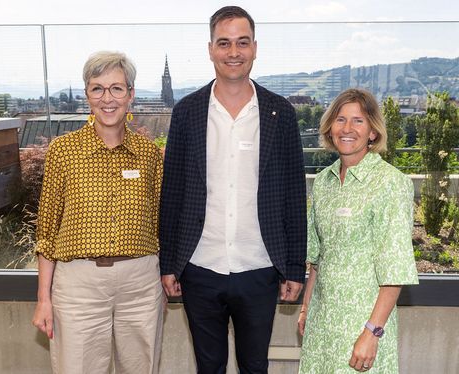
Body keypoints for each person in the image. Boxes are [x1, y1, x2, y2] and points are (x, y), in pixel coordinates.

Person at [159, 6, 307, 374]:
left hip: (259, 266)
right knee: (209, 368)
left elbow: (293, 196)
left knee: (255, 367)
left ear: (255, 47)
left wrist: (294, 268)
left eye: (242, 42)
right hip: (199, 266)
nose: (233, 52)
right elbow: (172, 193)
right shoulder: (187, 112)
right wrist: (169, 264)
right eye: (224, 43)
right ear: (210, 48)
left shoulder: (281, 113)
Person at [32, 51, 164, 374]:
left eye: (117, 88)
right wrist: (43, 299)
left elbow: (162, 222)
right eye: (97, 88)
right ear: (86, 95)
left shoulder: (149, 154)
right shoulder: (63, 152)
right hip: (79, 286)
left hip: (141, 285)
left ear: (131, 95)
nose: (108, 98)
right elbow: (47, 232)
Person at [298, 88, 419, 373]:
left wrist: (372, 332)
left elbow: (395, 268)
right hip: (321, 325)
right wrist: (306, 308)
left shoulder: (390, 183)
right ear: (329, 128)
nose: (347, 129)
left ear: (373, 132)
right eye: (340, 120)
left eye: (358, 121)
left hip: (362, 326)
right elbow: (318, 259)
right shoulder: (323, 183)